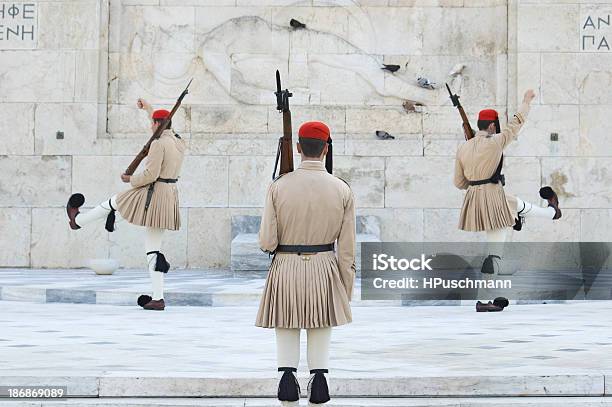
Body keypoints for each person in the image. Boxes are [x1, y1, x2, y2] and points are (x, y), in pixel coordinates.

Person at [255, 121, 356, 406]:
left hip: (286, 264)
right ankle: (320, 379)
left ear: (298, 148)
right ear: (326, 149)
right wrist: (344, 291)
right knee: (321, 321)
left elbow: (267, 242)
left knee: (286, 321)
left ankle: (287, 378)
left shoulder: (278, 187)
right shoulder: (342, 189)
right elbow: (347, 250)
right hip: (324, 264)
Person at [66, 99, 186, 311]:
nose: (151, 126)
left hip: (154, 193)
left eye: (153, 123)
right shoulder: (178, 141)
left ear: (158, 125)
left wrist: (129, 179)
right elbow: (162, 124)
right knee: (153, 250)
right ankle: (158, 298)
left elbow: (150, 174)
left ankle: (78, 221)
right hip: (169, 195)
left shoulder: (158, 144)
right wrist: (148, 108)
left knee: (115, 201)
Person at [453, 89, 562, 312]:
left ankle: (551, 212)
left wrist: (477, 183)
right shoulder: (495, 142)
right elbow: (516, 122)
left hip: (476, 199)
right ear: (492, 126)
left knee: (513, 203)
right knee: (494, 252)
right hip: (493, 198)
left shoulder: (463, 148)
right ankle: (484, 300)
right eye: (496, 126)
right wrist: (526, 101)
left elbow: (459, 182)